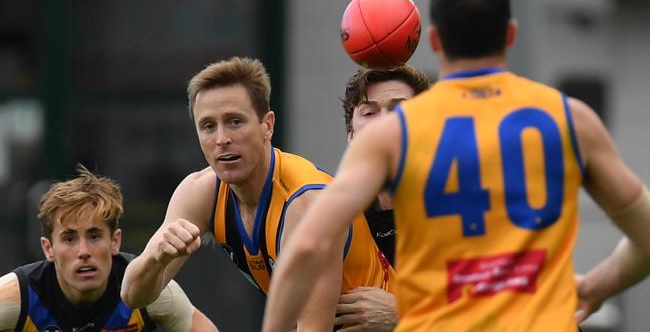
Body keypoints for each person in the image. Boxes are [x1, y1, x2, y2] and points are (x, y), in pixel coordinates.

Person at [262, 0, 650, 331]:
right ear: (511, 35)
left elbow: (308, 245)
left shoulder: (394, 133)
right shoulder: (570, 119)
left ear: (434, 41)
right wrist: (599, 285)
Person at [120, 57, 395, 331]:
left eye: (235, 122)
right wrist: (157, 257)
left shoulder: (305, 202)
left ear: (268, 125)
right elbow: (133, 295)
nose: (221, 139)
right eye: (208, 126)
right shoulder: (200, 192)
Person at [0, 165, 218, 332]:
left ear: (115, 241)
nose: (84, 251)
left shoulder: (149, 288)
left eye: (94, 236)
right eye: (69, 239)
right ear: (48, 249)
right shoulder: (19, 296)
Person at [335, 66, 429, 331]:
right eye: (369, 112)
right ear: (351, 136)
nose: (385, 122)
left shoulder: (461, 212)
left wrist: (403, 315)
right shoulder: (338, 223)